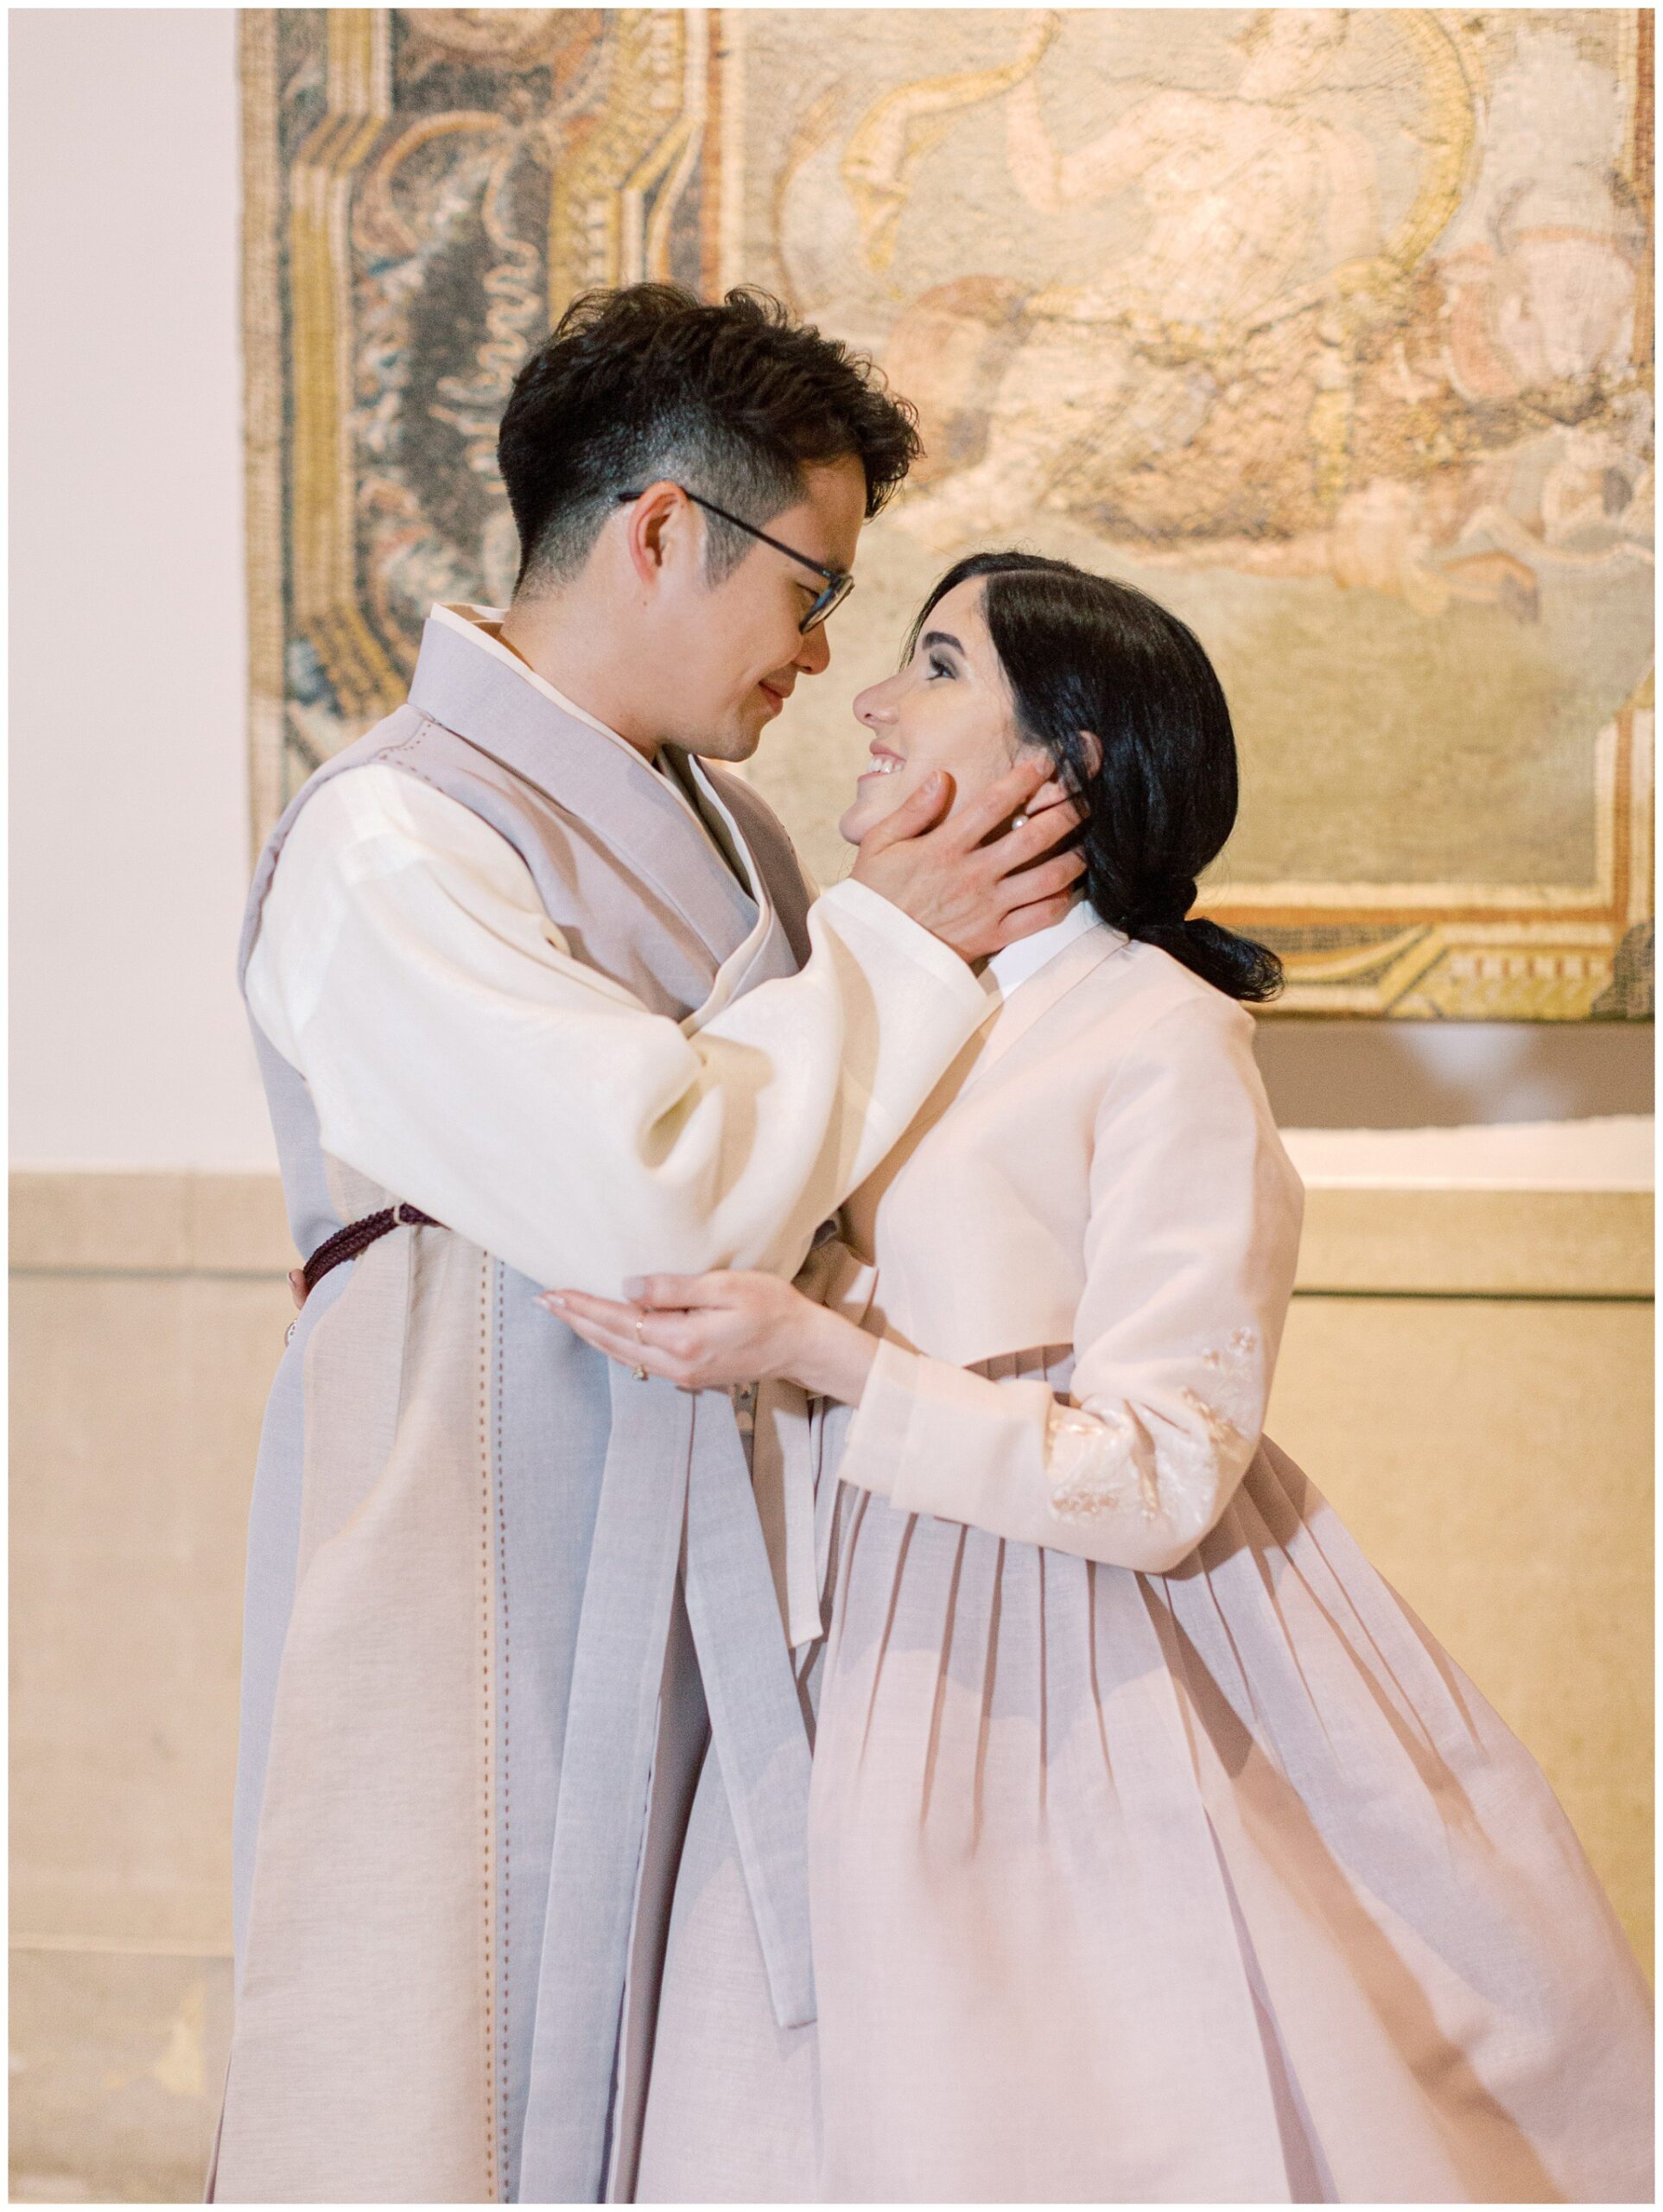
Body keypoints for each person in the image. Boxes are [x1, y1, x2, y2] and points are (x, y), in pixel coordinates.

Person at [554, 551, 1654, 2203]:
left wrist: (824, 1350)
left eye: (932, 664)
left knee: (1098, 2093)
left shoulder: (1159, 1035)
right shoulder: (872, 1003)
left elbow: (1161, 1470)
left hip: (1089, 1664)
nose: (866, 695)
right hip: (861, 1641)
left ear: (1055, 766)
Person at [210, 294, 1084, 2202]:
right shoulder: (389, 837)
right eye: (812, 584)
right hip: (483, 1477)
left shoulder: (754, 848)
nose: (825, 651)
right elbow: (654, 1187)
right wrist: (901, 941)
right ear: (666, 528)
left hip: (745, 1505)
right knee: (449, 2013)